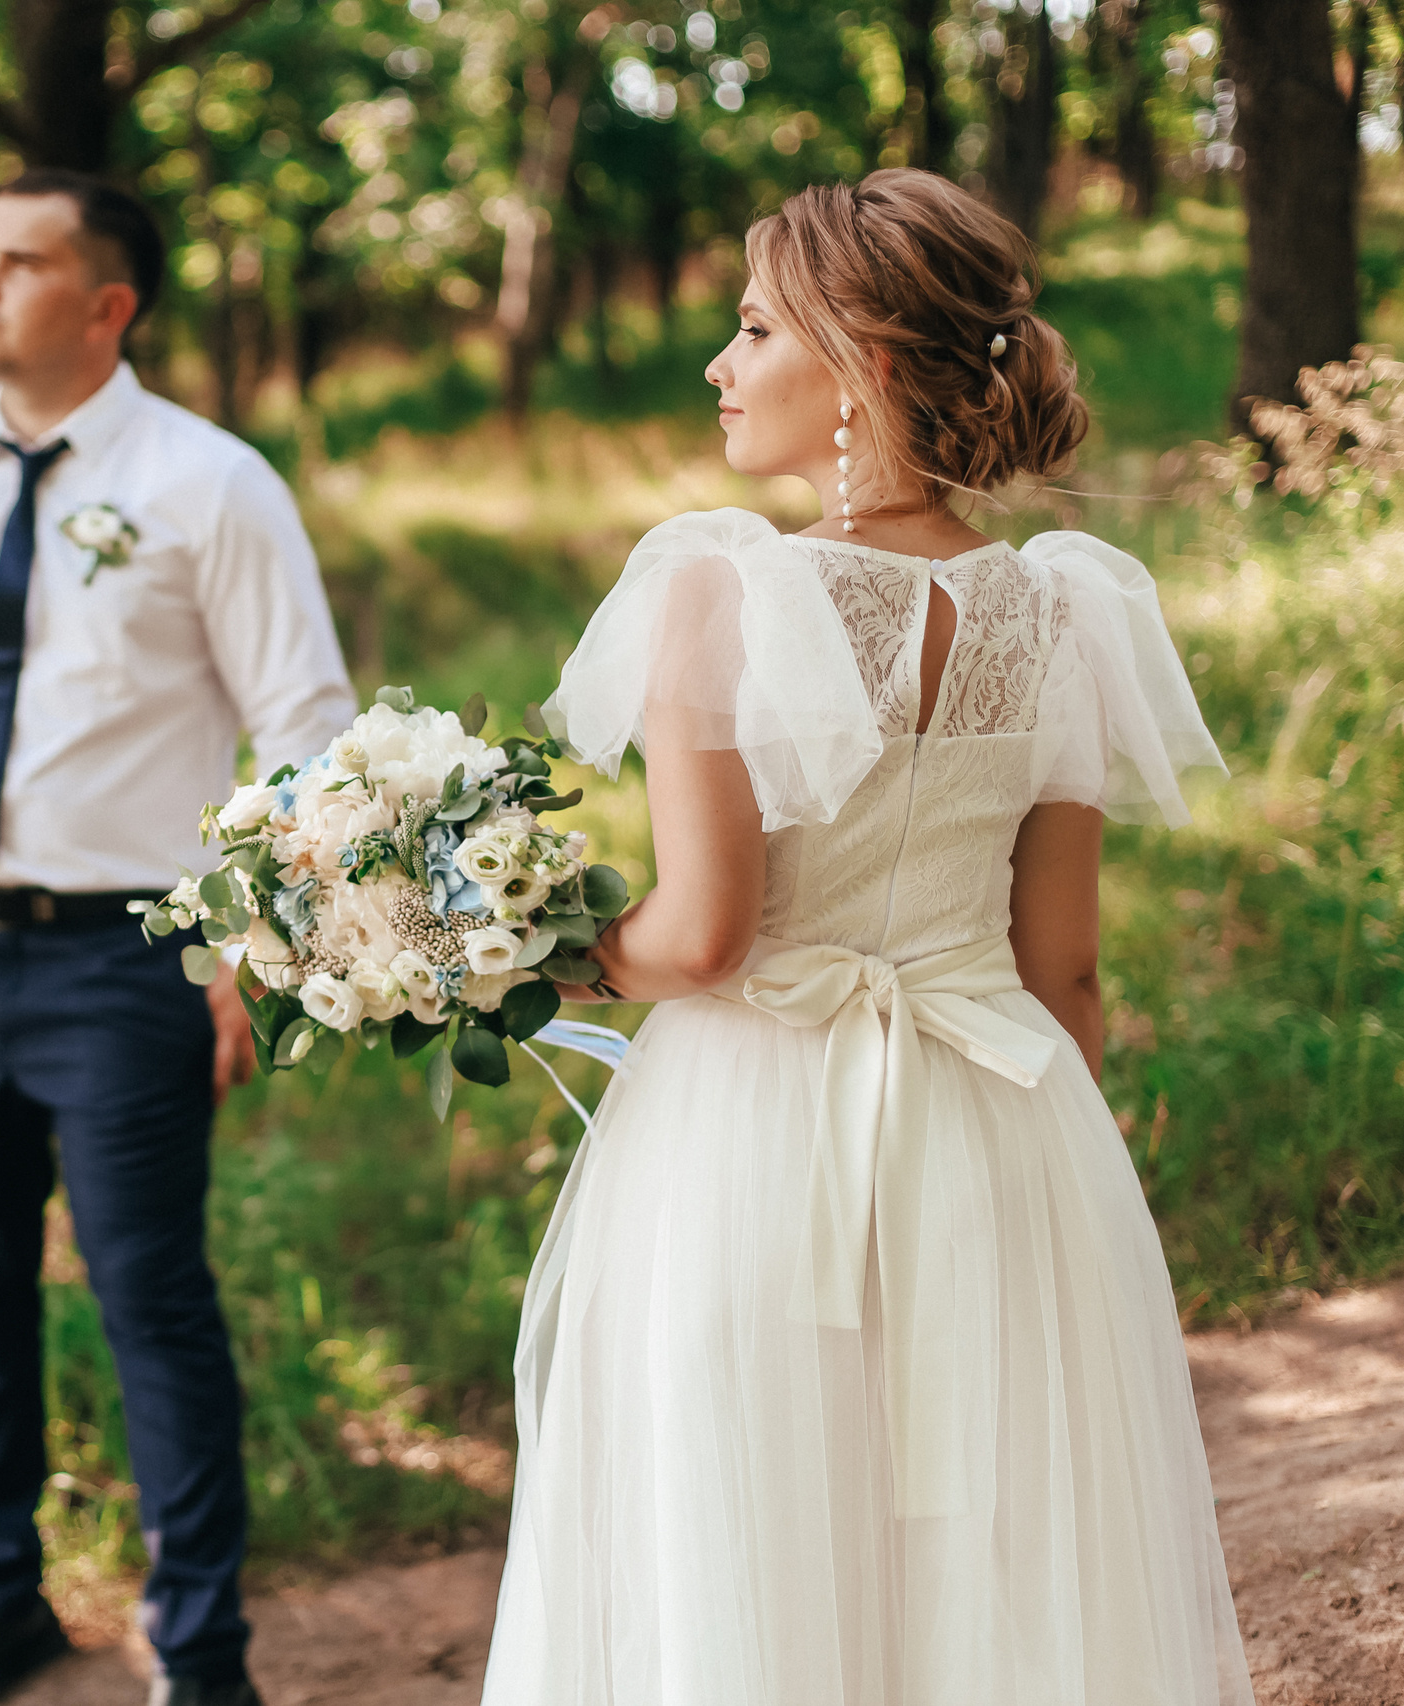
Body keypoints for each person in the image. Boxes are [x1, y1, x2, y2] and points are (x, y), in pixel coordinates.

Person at [482, 169, 1254, 1703]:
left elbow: (704, 939)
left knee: (751, 1537)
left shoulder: (721, 590)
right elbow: (1069, 971)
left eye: (756, 326)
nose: (720, 362)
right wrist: (1064, 1187)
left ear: (865, 366)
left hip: (752, 1135)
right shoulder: (1061, 613)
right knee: (992, 1565)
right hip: (1004, 1125)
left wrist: (524, 948)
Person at [0, 170, 355, 1706]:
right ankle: (0, 1601)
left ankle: (202, 1649)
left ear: (107, 305)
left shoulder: (213, 485)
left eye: (22, 263)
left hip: (131, 960)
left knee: (148, 1293)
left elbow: (306, 727)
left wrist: (263, 939)